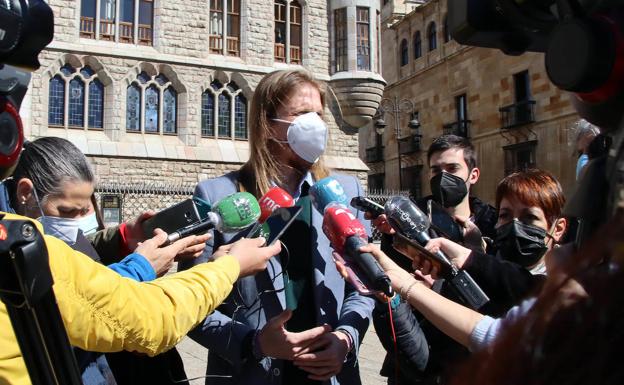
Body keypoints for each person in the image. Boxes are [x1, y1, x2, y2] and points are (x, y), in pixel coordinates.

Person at [179, 69, 374, 385]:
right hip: (250, 374)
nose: (315, 125)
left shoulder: (346, 192)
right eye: (301, 114)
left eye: (319, 115)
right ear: (268, 125)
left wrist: (347, 338)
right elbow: (190, 305)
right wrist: (253, 343)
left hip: (331, 373)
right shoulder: (217, 197)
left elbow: (362, 284)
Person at [5, 136, 203, 385]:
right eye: (67, 212)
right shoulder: (9, 251)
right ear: (26, 193)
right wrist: (142, 267)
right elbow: (82, 304)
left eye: (86, 209)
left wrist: (124, 239)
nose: (77, 222)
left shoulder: (46, 227)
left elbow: (86, 255)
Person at [364, 170, 568, 355]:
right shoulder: (467, 276)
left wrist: (414, 288)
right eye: (505, 215)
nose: (515, 226)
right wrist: (396, 301)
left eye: (529, 218)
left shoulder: (571, 287)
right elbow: (424, 356)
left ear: (557, 229)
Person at [370, 135, 499, 384]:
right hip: (417, 353)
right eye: (436, 170)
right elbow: (394, 278)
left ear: (473, 175)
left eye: (452, 169)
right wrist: (391, 236)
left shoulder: (491, 223)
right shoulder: (408, 219)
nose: (443, 177)